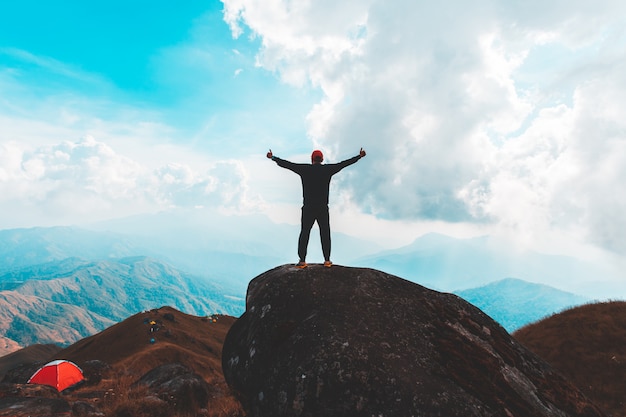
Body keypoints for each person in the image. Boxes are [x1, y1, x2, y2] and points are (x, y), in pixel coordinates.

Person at [267, 147, 366, 268]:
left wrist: (273, 157)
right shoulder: (328, 170)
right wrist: (359, 156)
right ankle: (327, 260)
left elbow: (288, 165)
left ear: (312, 159)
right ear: (322, 159)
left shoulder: (305, 169)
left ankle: (302, 261)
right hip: (322, 208)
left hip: (308, 208)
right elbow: (343, 164)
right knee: (325, 232)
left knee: (305, 233)